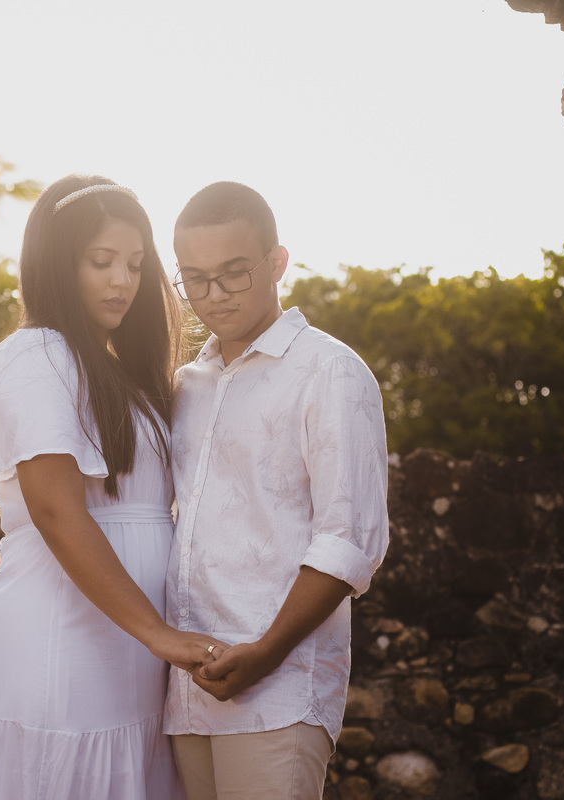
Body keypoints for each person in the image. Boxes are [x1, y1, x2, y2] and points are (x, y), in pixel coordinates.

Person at [0, 175, 221, 800]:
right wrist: (160, 634)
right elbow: (55, 509)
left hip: (129, 649)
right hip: (63, 639)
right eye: (102, 262)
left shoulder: (120, 374)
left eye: (134, 264)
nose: (122, 280)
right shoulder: (35, 354)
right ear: (57, 262)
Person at [165, 181, 389, 800]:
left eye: (233, 274)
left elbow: (349, 541)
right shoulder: (185, 385)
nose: (213, 296)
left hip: (279, 686)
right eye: (195, 278)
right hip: (185, 692)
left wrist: (264, 653)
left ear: (277, 262)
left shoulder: (331, 371)